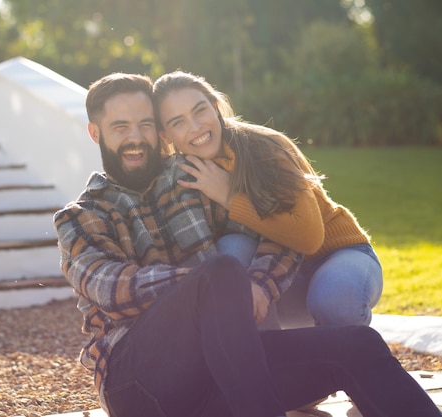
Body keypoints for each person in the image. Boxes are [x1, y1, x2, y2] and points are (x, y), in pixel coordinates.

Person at [54, 72, 442, 417]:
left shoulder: (194, 178)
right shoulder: (81, 215)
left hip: (224, 376)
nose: (135, 138)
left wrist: (259, 283)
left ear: (158, 131)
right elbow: (110, 288)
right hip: (141, 389)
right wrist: (214, 289)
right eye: (120, 127)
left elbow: (276, 236)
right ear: (96, 132)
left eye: (143, 124)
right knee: (222, 272)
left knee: (357, 345)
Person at [153, 70, 383, 329]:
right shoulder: (177, 177)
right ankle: (273, 361)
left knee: (335, 302)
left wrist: (230, 197)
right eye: (178, 122)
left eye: (200, 110)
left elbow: (310, 237)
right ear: (165, 136)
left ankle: (360, 359)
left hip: (336, 254)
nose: (196, 127)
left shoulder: (264, 147)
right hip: (280, 277)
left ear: (215, 107)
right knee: (233, 249)